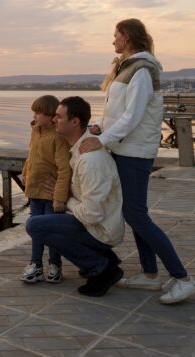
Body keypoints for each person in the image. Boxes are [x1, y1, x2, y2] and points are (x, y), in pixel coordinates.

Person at [80, 18, 195, 304]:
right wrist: (100, 126)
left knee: (137, 215)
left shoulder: (142, 70)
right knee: (134, 213)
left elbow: (133, 116)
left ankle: (183, 278)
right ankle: (149, 275)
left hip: (134, 152)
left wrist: (103, 139)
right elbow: (117, 111)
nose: (113, 41)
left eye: (116, 36)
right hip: (123, 149)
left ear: (128, 37)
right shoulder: (127, 67)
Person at [25, 96, 124, 297]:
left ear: (75, 122)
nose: (54, 120)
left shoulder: (90, 161)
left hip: (100, 230)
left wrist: (64, 198)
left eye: (59, 117)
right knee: (46, 222)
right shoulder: (79, 148)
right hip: (98, 224)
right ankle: (104, 257)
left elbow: (91, 215)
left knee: (35, 226)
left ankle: (102, 267)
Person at [19, 95, 72, 284]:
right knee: (36, 230)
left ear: (51, 116)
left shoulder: (58, 138)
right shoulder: (35, 131)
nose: (34, 116)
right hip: (34, 192)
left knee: (51, 232)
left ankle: (55, 264)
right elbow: (31, 155)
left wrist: (59, 198)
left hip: (50, 195)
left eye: (38, 113)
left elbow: (64, 169)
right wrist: (25, 171)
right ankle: (35, 264)